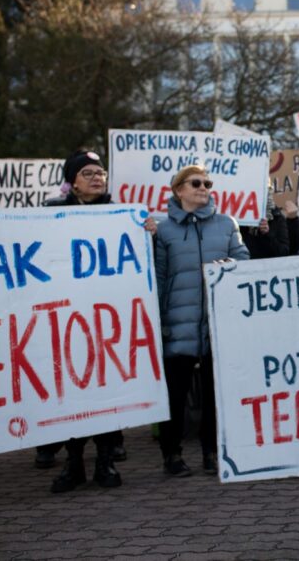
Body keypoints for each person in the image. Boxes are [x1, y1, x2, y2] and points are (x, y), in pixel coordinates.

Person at [45, 149, 150, 492]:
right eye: (87, 172)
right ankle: (74, 463)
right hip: (67, 317)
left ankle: (105, 461)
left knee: (107, 389)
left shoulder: (122, 214)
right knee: (70, 391)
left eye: (100, 172)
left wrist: (146, 231)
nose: (96, 177)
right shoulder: (49, 214)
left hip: (109, 317)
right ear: (72, 180)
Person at [155, 165, 250, 477]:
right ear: (179, 189)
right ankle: (172, 454)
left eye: (208, 183)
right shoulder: (162, 229)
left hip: (217, 324)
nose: (203, 187)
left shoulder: (226, 224)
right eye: (196, 183)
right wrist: (157, 322)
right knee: (175, 395)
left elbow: (244, 260)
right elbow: (157, 276)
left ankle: (212, 452)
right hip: (177, 324)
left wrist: (231, 265)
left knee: (214, 393)